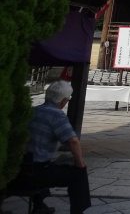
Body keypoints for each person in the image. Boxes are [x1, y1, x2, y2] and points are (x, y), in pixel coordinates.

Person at [11, 80, 91, 214]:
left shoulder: (33, 111)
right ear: (64, 101)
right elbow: (73, 141)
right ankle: (78, 211)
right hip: (35, 173)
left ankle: (39, 205)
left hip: (18, 170)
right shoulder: (57, 115)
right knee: (79, 173)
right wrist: (80, 164)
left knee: (54, 161)